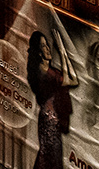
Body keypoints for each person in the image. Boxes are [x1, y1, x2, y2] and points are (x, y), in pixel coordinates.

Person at [27, 30, 78, 169]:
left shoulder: (52, 72)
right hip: (49, 121)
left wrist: (63, 52)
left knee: (50, 157)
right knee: (50, 157)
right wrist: (62, 52)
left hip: (52, 121)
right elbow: (69, 81)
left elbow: (73, 80)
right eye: (43, 46)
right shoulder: (44, 73)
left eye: (47, 45)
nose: (48, 49)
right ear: (38, 52)